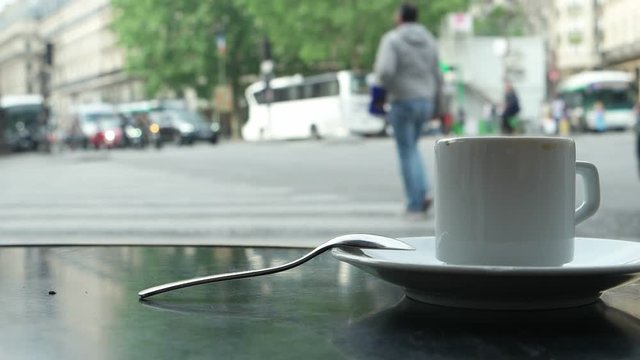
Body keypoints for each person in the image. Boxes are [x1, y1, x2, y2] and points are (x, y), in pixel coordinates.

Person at [373, 3, 441, 218]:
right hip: (426, 101)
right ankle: (422, 192)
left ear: (401, 17)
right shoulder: (430, 41)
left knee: (406, 150)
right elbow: (437, 75)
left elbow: (384, 71)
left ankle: (415, 200)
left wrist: (383, 89)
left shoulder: (392, 40)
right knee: (413, 147)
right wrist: (438, 106)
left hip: (402, 100)